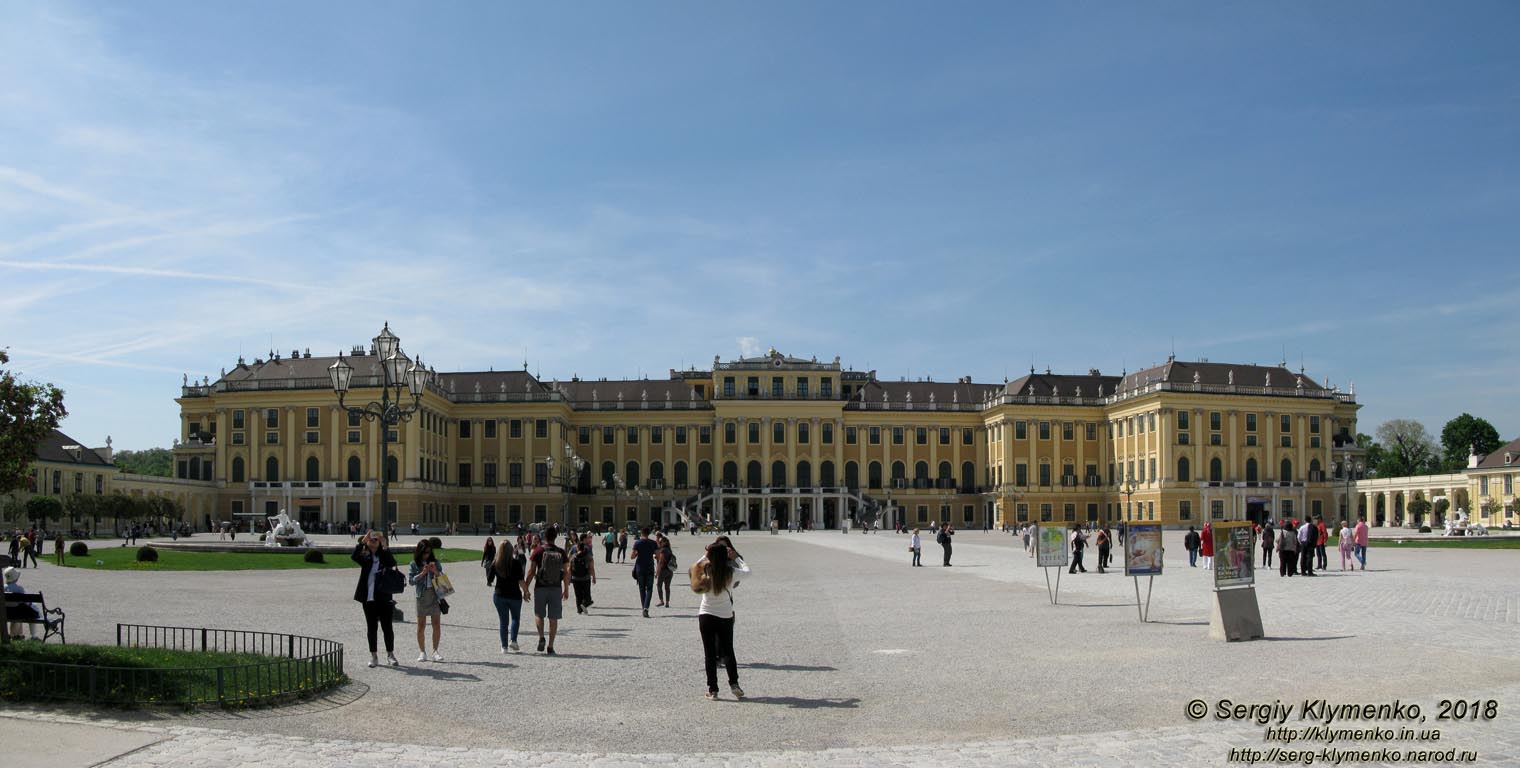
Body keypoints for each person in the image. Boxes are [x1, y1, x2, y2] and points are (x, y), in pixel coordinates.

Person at [694, 538, 750, 701]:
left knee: (709, 654)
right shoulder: (730, 572)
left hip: (706, 614)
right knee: (728, 652)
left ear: (710, 556)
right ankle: (734, 684)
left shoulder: (704, 571)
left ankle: (713, 690)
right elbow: (748, 572)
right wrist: (737, 558)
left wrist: (705, 555)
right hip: (725, 615)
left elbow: (693, 568)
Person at [352, 532, 400, 668]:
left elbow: (392, 563)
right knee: (371, 628)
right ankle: (374, 656)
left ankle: (390, 654)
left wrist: (385, 546)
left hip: (384, 597)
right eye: (371, 540)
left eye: (375, 540)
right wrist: (362, 542)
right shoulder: (364, 556)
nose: (373, 541)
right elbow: (354, 556)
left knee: (387, 627)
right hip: (368, 598)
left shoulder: (383, 556)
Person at [525, 525, 570, 654]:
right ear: (556, 537)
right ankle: (550, 646)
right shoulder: (561, 552)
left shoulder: (538, 551)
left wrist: (526, 589)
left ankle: (541, 637)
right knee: (553, 618)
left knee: (539, 614)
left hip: (540, 587)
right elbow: (567, 571)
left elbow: (531, 571)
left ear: (544, 537)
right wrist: (566, 588)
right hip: (556, 587)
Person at [407, 540, 446, 661]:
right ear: (419, 552)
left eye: (428, 552)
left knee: (436, 625)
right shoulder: (414, 564)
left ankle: (435, 651)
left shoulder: (436, 562)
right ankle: (422, 651)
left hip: (434, 595)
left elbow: (443, 580)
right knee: (421, 626)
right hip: (422, 596)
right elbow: (411, 581)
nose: (426, 555)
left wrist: (435, 571)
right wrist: (422, 573)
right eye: (424, 552)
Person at [492, 538, 529, 653]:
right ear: (511, 550)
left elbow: (489, 579)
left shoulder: (496, 563)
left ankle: (504, 647)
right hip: (514, 595)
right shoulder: (516, 563)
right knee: (515, 618)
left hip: (500, 595)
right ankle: (513, 640)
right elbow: (521, 581)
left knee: (503, 622)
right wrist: (526, 591)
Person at [630, 528, 659, 617]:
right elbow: (658, 555)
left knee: (642, 589)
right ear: (648, 534)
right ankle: (646, 608)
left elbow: (632, 556)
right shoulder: (653, 543)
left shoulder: (637, 543)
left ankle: (644, 608)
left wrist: (638, 554)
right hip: (650, 567)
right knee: (649, 589)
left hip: (640, 568)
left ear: (641, 533)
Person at [570, 532, 598, 614]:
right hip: (586, 576)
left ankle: (579, 609)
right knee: (587, 594)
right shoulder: (587, 549)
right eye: (587, 538)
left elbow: (569, 561)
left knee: (578, 594)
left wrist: (568, 577)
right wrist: (593, 576)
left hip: (575, 577)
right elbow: (591, 565)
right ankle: (585, 604)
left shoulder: (573, 549)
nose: (588, 539)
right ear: (584, 539)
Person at [654, 533, 676, 608]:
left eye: (660, 542)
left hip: (663, 570)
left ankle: (661, 600)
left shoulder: (663, 550)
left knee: (659, 585)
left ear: (664, 543)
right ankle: (667, 602)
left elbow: (660, 562)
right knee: (667, 587)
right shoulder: (669, 549)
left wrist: (657, 572)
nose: (659, 543)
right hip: (670, 571)